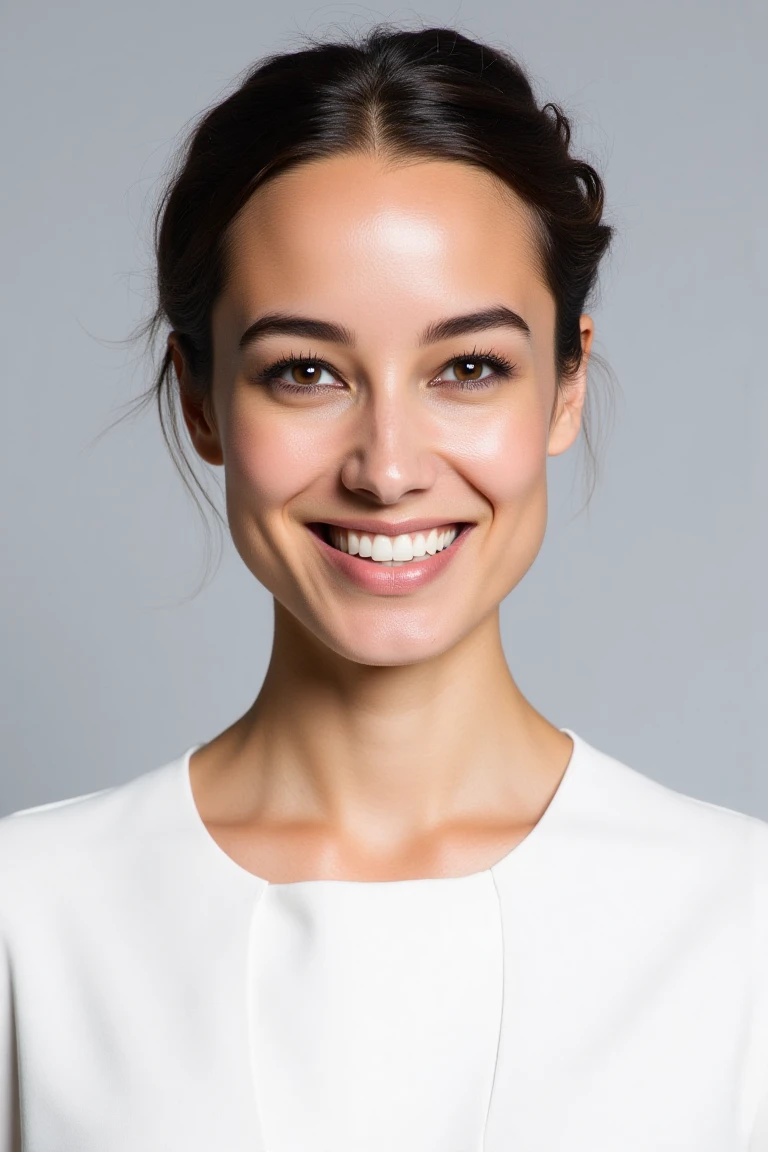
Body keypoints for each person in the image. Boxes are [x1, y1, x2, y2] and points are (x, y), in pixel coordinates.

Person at [1, 24, 767, 1152]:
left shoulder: (740, 926)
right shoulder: (31, 918)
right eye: (304, 371)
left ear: (565, 389)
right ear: (204, 403)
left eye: (469, 368)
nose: (389, 466)